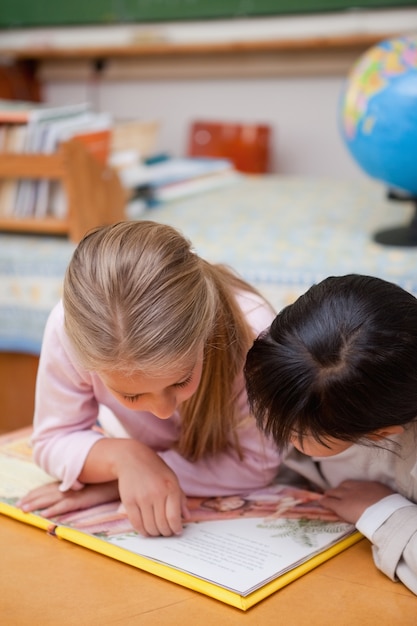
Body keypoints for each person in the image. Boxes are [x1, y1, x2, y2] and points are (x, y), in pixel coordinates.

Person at [19, 220, 280, 538]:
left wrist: (123, 482)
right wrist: (127, 458)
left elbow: (258, 462)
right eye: (131, 396)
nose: (162, 411)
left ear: (206, 331)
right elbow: (51, 440)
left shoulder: (253, 331)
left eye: (181, 380)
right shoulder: (69, 330)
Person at [244, 274, 417, 595]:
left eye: (294, 432)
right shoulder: (296, 372)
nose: (275, 426)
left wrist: (383, 512)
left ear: (381, 433)